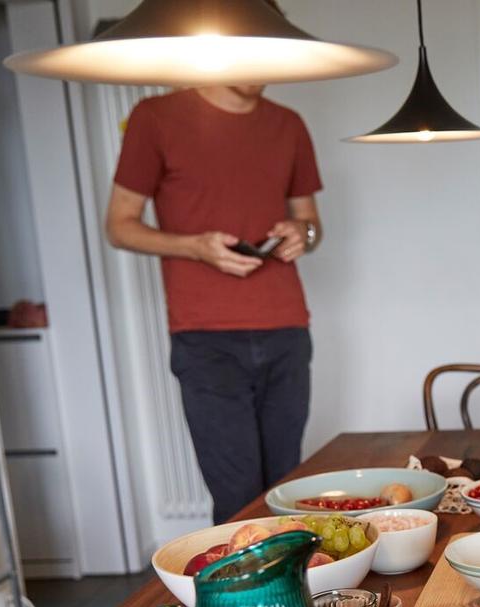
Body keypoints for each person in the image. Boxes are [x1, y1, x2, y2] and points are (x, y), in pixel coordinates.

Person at [105, 77, 323, 525]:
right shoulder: (156, 117)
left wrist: (302, 234)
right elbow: (119, 225)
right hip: (206, 339)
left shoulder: (290, 124)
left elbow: (311, 223)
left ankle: (296, 596)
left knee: (285, 494)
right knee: (239, 499)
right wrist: (196, 247)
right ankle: (243, 598)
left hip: (286, 329)